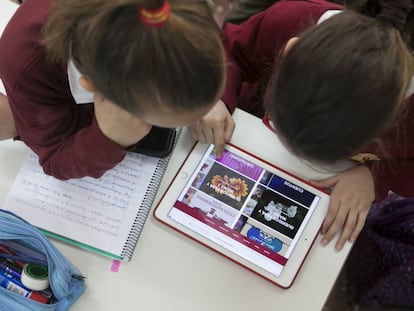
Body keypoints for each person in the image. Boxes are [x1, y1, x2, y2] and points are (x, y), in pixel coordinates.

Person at [193, 0, 414, 251]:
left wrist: (374, 177)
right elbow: (230, 50)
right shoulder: (289, 20)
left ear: (390, 120)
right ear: (290, 50)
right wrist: (214, 94)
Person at [0, 0, 226, 180]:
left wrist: (202, 96)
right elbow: (54, 156)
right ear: (92, 86)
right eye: (148, 119)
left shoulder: (178, 16)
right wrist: (108, 139)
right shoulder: (25, 64)